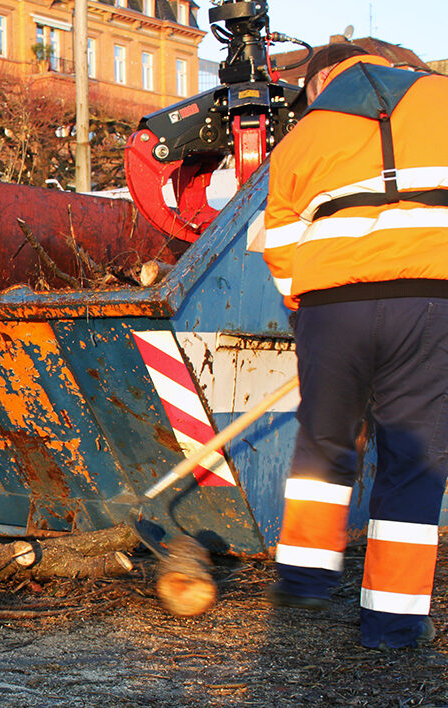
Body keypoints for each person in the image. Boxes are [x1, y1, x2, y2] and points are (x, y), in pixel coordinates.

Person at [262, 43, 448, 649]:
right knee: (414, 460)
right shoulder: (443, 102)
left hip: (333, 306)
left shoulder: (304, 135)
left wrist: (303, 309)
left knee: (325, 439)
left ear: (319, 85)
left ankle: (306, 578)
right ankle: (392, 625)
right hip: (431, 301)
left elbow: (281, 241)